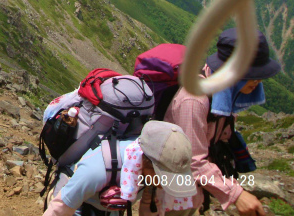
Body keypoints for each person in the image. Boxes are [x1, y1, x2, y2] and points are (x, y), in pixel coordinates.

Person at [164, 28, 281, 216]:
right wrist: (236, 194)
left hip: (191, 190)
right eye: (251, 73)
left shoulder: (224, 95)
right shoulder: (194, 100)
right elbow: (192, 162)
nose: (258, 80)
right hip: (171, 194)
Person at [44, 120, 197, 216]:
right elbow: (60, 208)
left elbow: (149, 205)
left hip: (106, 209)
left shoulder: (149, 166)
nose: (166, 184)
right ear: (147, 162)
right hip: (72, 205)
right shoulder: (97, 171)